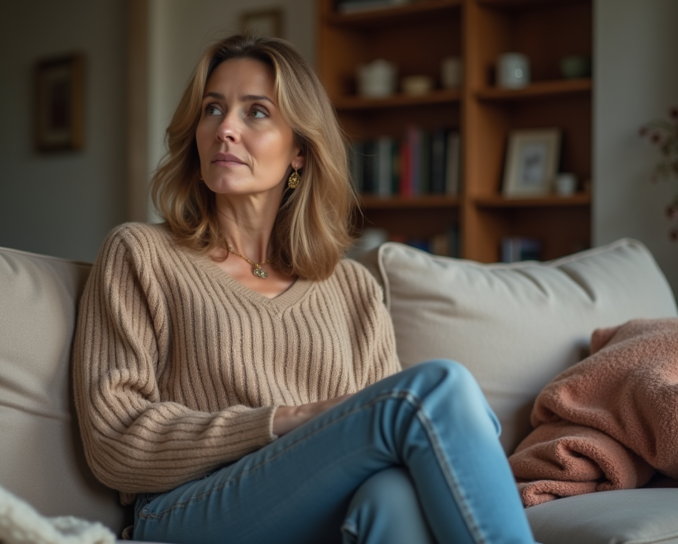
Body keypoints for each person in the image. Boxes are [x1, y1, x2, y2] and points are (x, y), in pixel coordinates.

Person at [73, 34, 535, 544]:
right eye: (212, 109)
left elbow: (387, 448)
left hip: (316, 505)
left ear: (298, 150)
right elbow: (113, 443)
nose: (225, 128)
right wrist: (284, 421)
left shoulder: (352, 288)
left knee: (394, 495)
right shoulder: (141, 254)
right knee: (436, 390)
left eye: (255, 113)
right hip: (186, 509)